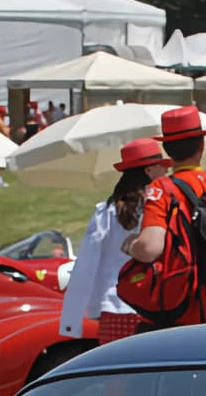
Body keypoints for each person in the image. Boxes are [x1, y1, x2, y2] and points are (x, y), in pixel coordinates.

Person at [125, 106, 206, 329]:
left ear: (167, 149)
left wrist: (130, 245)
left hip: (176, 320)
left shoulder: (161, 189)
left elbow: (149, 248)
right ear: (202, 146)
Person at [60, 138, 171, 342]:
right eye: (161, 166)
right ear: (149, 171)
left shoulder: (106, 211)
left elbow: (86, 265)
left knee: (116, 363)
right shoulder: (163, 208)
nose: (166, 171)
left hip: (114, 308)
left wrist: (72, 321)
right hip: (154, 306)